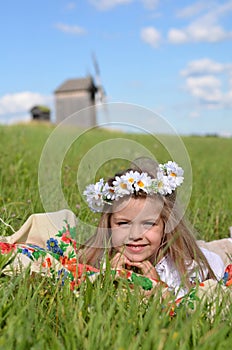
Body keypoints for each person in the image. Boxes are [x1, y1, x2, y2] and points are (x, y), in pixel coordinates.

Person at [0, 159, 230, 300]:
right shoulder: (101, 257)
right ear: (108, 226)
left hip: (206, 257)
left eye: (148, 224)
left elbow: (195, 298)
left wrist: (158, 288)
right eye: (123, 223)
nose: (135, 234)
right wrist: (109, 277)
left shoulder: (184, 267)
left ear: (166, 227)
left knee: (218, 251)